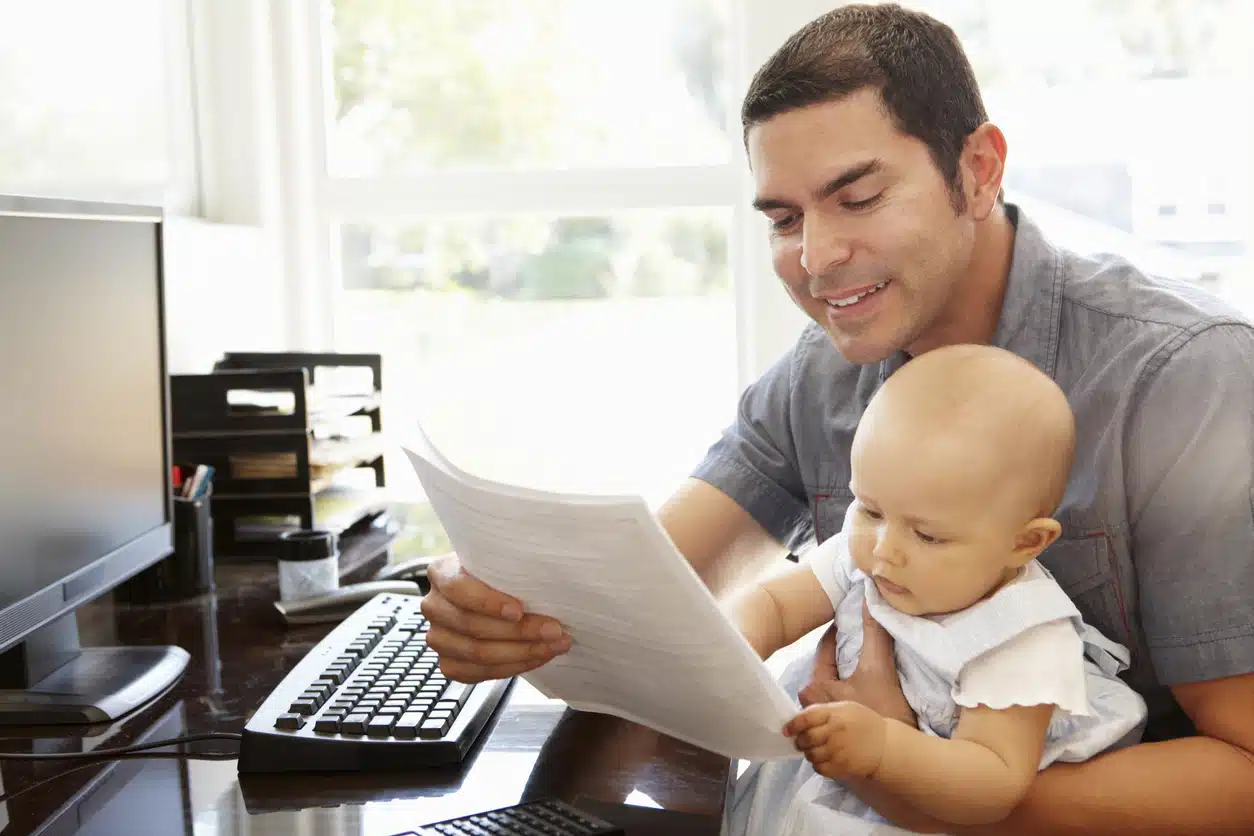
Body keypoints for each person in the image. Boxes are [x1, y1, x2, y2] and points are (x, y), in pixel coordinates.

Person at [419, 4, 1254, 832]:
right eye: (785, 219)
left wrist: (907, 773)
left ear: (979, 169)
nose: (815, 259)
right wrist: (503, 595)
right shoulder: (822, 373)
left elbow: (1246, 774)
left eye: (858, 197)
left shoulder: (1186, 378)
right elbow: (655, 591)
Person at [724, 343, 1147, 835]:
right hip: (807, 785)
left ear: (1024, 543)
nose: (884, 550)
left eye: (928, 536)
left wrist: (883, 747)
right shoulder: (867, 549)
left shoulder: (1022, 639)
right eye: (870, 509)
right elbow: (774, 606)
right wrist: (731, 646)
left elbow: (994, 783)